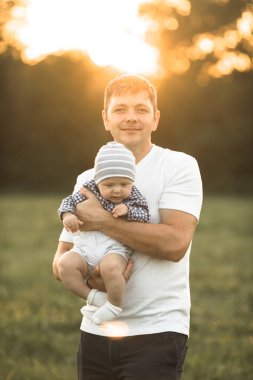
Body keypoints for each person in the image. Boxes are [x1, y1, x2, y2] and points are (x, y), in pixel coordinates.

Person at [52, 73, 203, 380]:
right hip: (94, 328)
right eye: (120, 109)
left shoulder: (178, 166)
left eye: (141, 109)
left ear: (155, 119)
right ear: (105, 118)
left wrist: (103, 221)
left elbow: (175, 244)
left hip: (156, 331)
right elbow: (60, 259)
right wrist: (92, 281)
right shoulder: (86, 179)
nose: (131, 118)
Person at [57, 141, 150, 325]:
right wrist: (67, 215)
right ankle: (93, 297)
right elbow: (68, 202)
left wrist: (128, 210)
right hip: (84, 246)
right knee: (65, 264)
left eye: (124, 183)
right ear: (98, 180)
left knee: (111, 268)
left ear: (132, 180)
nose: (117, 190)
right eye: (109, 185)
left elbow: (144, 214)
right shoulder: (88, 188)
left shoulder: (133, 195)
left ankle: (114, 305)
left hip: (113, 248)